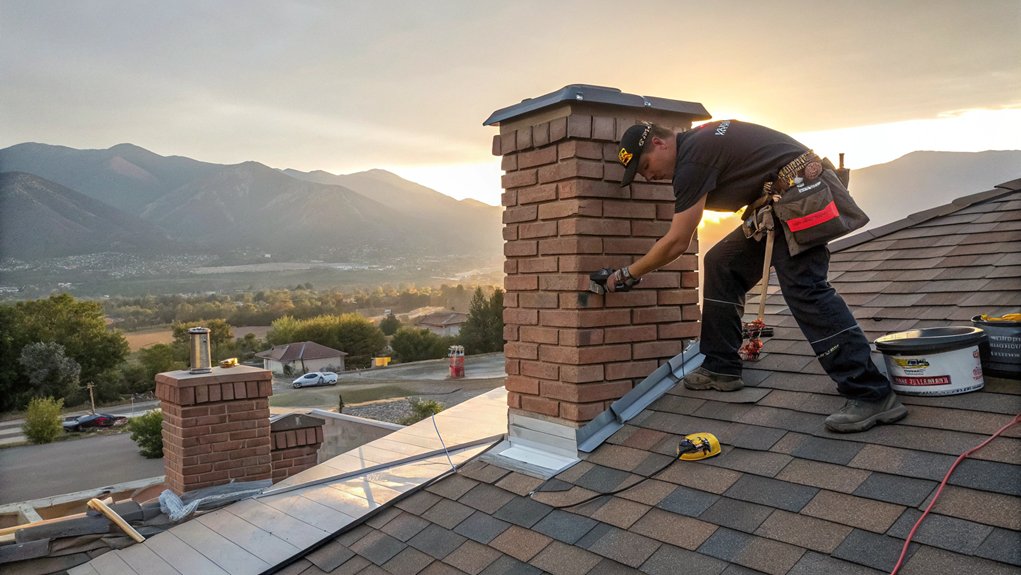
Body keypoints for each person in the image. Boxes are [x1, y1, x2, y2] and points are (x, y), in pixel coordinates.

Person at [606, 120, 907, 433]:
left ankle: (870, 392)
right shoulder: (696, 145)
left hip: (801, 196)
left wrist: (628, 274)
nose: (649, 175)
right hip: (779, 204)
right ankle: (721, 368)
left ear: (659, 143)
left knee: (805, 288)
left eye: (645, 166)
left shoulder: (691, 160)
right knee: (723, 263)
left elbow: (677, 241)